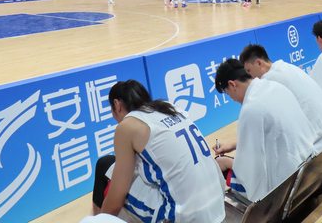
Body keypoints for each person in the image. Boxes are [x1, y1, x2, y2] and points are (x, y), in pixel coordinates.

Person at [93, 80, 225, 222]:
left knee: (107, 172)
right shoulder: (168, 107)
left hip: (187, 216)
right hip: (218, 204)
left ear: (117, 104)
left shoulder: (127, 125)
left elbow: (116, 199)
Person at [213, 58, 315, 202]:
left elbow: (251, 171)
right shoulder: (274, 86)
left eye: (228, 93)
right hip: (310, 169)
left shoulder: (250, 109)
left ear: (232, 84)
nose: (232, 99)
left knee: (225, 169)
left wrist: (225, 162)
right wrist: (235, 145)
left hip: (287, 185)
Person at [240, 44, 322, 154]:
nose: (251, 77)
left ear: (259, 63)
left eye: (249, 71)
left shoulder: (269, 82)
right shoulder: (286, 66)